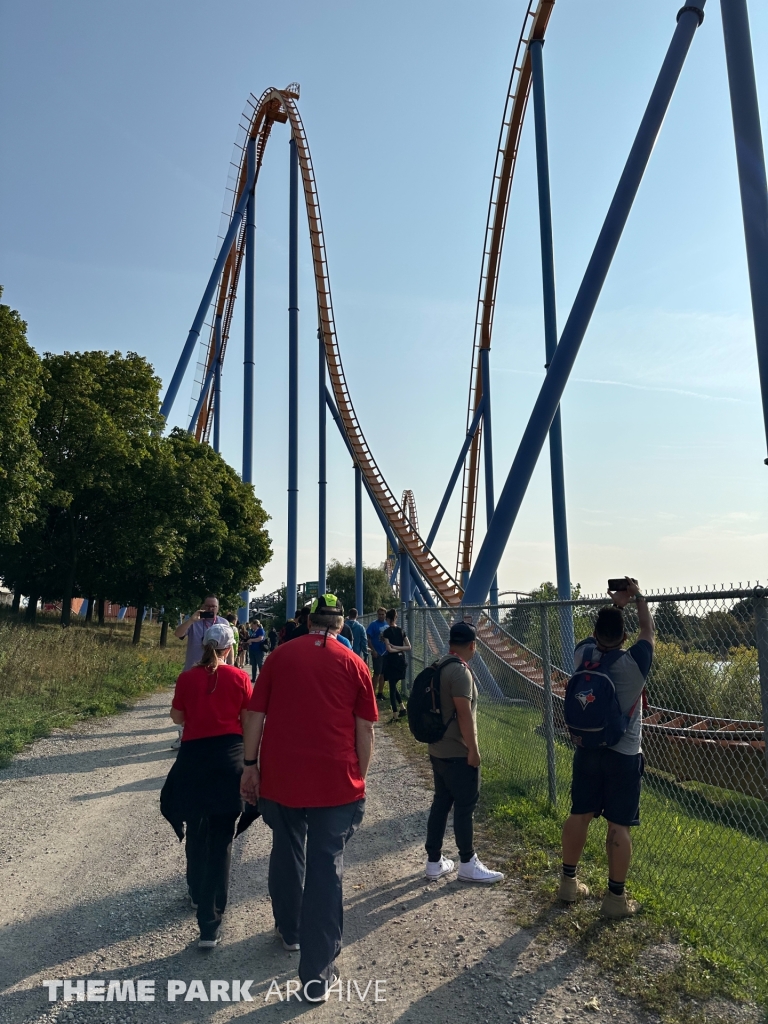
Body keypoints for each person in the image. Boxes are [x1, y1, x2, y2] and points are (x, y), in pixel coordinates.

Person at [241, 594, 377, 1002]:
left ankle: (289, 930)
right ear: (339, 626)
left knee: (286, 847)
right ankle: (317, 973)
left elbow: (254, 715)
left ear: (307, 620)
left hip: (282, 775)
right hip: (336, 778)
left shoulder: (281, 656)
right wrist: (360, 777)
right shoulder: (354, 664)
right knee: (325, 865)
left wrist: (251, 764)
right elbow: (365, 728)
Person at [558, 577, 654, 919]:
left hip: (587, 748)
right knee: (619, 826)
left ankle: (568, 883)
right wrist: (638, 596)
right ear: (623, 638)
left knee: (579, 813)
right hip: (623, 754)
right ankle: (615, 899)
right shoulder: (634, 664)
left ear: (596, 633)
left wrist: (616, 604)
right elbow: (647, 631)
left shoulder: (582, 654)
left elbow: (601, 635)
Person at [160, 623, 253, 948]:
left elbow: (176, 717)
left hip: (194, 759)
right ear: (230, 648)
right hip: (229, 759)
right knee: (221, 838)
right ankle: (210, 925)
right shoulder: (240, 678)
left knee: (196, 827)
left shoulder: (187, 678)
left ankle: (196, 894)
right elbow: (248, 717)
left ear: (204, 645)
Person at [424, 621, 504, 884]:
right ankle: (468, 863)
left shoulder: (440, 664)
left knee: (441, 803)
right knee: (464, 807)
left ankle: (434, 861)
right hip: (458, 750)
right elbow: (464, 715)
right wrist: (474, 750)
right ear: (472, 645)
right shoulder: (460, 672)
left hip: (438, 748)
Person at [171, 596, 230, 749]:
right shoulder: (194, 621)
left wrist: (231, 666)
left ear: (218, 608)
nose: (211, 609)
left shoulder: (224, 623)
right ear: (202, 606)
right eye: (208, 606)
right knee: (189, 705)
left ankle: (211, 736)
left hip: (217, 670)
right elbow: (178, 634)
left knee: (213, 706)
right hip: (194, 669)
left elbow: (230, 647)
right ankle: (184, 734)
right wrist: (191, 620)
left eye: (214, 606)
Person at [382, 608, 411, 717]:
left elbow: (389, 649)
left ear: (388, 619)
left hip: (391, 661)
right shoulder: (401, 630)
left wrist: (394, 647)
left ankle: (395, 713)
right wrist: (400, 648)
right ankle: (402, 708)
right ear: (396, 618)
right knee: (393, 685)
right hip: (401, 661)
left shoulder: (386, 632)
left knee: (392, 687)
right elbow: (408, 646)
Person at [366, 607, 389, 701]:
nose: (381, 616)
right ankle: (372, 694)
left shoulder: (387, 624)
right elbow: (368, 638)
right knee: (377, 674)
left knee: (383, 674)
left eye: (383, 614)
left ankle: (380, 693)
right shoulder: (373, 625)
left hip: (386, 653)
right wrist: (373, 650)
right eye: (379, 614)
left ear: (385, 615)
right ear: (377, 615)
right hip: (377, 653)